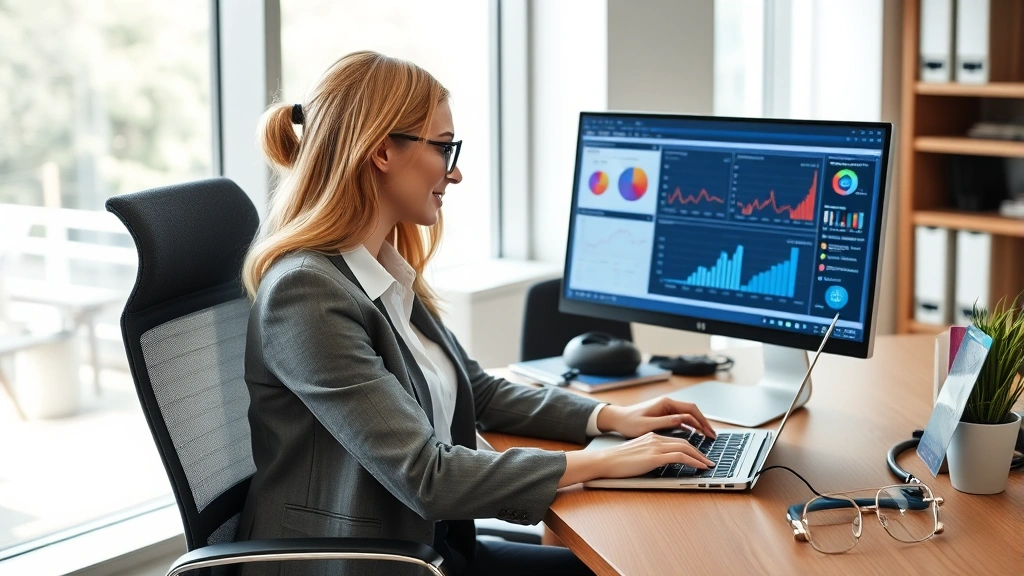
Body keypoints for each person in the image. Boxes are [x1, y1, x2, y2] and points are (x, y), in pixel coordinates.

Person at [237, 51, 716, 576]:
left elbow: (478, 390)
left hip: (434, 548)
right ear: (381, 152)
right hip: (363, 563)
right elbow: (427, 476)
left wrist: (608, 419)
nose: (456, 172)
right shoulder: (306, 293)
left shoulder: (380, 269)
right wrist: (603, 461)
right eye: (444, 148)